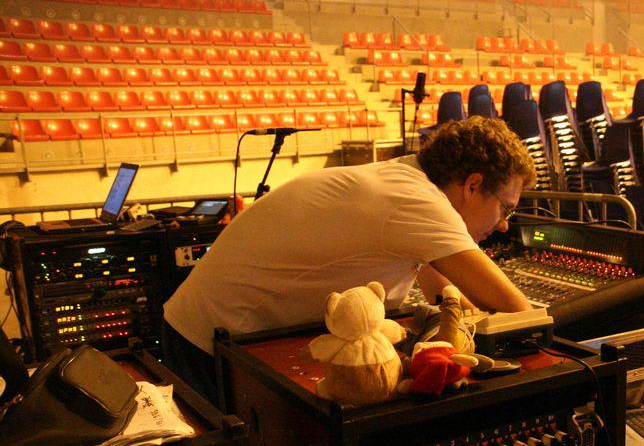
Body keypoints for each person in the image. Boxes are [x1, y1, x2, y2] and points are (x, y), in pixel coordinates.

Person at [161, 116, 535, 401]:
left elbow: (443, 288)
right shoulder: (416, 201)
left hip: (206, 331)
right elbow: (518, 312)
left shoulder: (407, 180)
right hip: (208, 344)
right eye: (506, 208)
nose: (504, 225)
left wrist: (458, 318)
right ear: (472, 185)